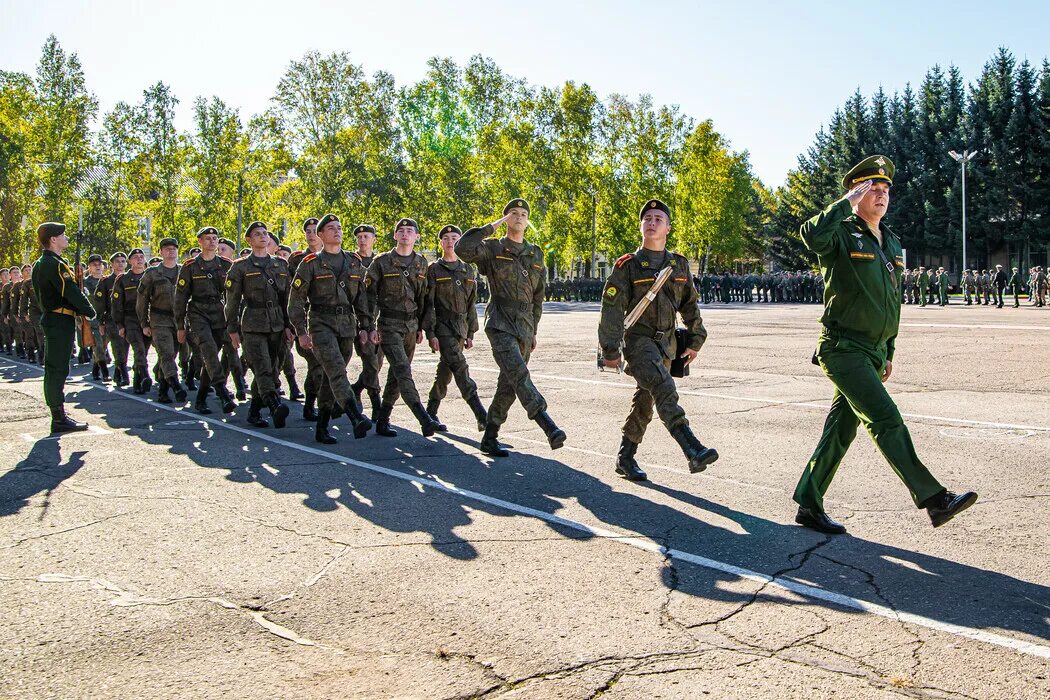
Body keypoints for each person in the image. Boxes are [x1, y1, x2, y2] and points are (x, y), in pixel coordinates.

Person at [793, 155, 977, 534]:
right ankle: (934, 498)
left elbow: (892, 300)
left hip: (873, 352)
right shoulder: (840, 232)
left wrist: (888, 350)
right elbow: (810, 235)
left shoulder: (891, 241)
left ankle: (809, 502)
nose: (880, 195)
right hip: (843, 348)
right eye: (871, 189)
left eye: (885, 190)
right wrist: (844, 204)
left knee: (840, 432)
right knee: (886, 419)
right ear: (855, 194)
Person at [598, 199, 718, 481]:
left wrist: (695, 340)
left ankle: (625, 458)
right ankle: (692, 448)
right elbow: (611, 310)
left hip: (667, 345)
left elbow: (690, 305)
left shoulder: (679, 265)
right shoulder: (627, 265)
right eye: (647, 218)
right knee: (664, 388)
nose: (652, 223)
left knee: (645, 400)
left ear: (668, 228)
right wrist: (610, 350)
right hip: (638, 342)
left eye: (658, 219)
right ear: (641, 226)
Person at [456, 199, 565, 456]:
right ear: (506, 219)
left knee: (508, 384)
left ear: (528, 221)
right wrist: (490, 228)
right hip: (500, 322)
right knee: (519, 375)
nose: (519, 217)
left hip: (525, 324)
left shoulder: (535, 253)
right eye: (513, 213)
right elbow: (463, 248)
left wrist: (534, 329)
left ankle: (490, 436)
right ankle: (546, 423)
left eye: (524, 214)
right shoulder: (493, 248)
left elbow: (538, 296)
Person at [287, 214, 373, 443]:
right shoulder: (310, 263)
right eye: (331, 228)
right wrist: (301, 331)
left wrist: (366, 326)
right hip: (321, 323)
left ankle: (322, 426)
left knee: (330, 376)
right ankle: (355, 417)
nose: (337, 231)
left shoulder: (353, 262)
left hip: (346, 325)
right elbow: (295, 302)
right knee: (336, 370)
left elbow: (361, 299)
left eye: (339, 227)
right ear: (321, 235)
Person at [364, 218, 441, 437]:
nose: (405, 234)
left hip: (411, 325)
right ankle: (423, 418)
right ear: (395, 236)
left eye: (410, 231)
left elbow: (424, 298)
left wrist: (423, 328)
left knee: (396, 376)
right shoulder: (381, 262)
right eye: (401, 230)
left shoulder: (421, 263)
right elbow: (368, 297)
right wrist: (369, 326)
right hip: (389, 325)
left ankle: (383, 419)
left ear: (417, 236)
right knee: (403, 370)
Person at [225, 221, 294, 428]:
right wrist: (232, 329)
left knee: (273, 368)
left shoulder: (280, 265)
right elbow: (232, 301)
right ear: (249, 240)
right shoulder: (240, 267)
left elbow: (287, 298)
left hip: (277, 323)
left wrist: (290, 325)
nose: (263, 237)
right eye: (257, 234)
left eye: (265, 233)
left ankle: (254, 412)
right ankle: (274, 406)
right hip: (253, 324)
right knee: (262, 367)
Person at [30, 222, 96, 432]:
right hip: (59, 321)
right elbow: (70, 291)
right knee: (57, 368)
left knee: (55, 367)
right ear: (53, 239)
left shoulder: (41, 263)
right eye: (62, 235)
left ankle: (58, 415)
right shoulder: (55, 265)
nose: (66, 238)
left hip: (55, 319)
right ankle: (58, 418)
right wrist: (89, 310)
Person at [422, 224, 488, 432]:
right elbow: (428, 304)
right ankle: (481, 415)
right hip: (443, 326)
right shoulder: (433, 270)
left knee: (445, 371)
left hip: (461, 327)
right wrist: (431, 333)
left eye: (454, 238)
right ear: (441, 243)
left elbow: (471, 304)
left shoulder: (467, 269)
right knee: (460, 368)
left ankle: (430, 412)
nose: (450, 241)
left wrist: (471, 332)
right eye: (446, 238)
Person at [176, 227, 238, 414]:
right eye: (207, 238)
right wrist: (180, 326)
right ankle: (222, 392)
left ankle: (201, 399)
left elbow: (234, 294)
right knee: (209, 349)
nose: (212, 241)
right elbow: (180, 298)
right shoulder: (190, 267)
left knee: (211, 358)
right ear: (200, 241)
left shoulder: (226, 265)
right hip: (198, 313)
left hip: (219, 313)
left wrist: (234, 320)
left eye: (214, 238)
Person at [136, 238, 186, 403]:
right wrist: (144, 323)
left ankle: (163, 391)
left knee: (172, 355)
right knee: (166, 354)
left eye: (174, 248)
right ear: (161, 252)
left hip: (179, 321)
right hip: (159, 319)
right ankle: (176, 386)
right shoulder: (152, 273)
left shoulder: (184, 271)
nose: (171, 251)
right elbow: (142, 300)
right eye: (167, 249)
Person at [288, 218, 325, 420]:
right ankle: (311, 404)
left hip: (327, 321)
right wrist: (293, 326)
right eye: (308, 231)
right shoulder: (296, 260)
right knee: (316, 363)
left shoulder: (332, 257)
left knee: (326, 366)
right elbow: (290, 296)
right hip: (304, 320)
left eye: (314, 231)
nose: (311, 235)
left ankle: (321, 403)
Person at [349, 224, 385, 419]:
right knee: (370, 361)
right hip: (358, 320)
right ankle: (376, 404)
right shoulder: (350, 261)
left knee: (376, 364)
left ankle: (356, 388)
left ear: (374, 240)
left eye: (366, 236)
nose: (362, 240)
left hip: (380, 319)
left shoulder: (380, 262)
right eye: (359, 237)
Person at [110, 248, 152, 393]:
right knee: (138, 348)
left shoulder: (151, 276)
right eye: (135, 257)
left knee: (143, 351)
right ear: (130, 261)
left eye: (141, 257)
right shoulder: (123, 279)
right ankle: (145, 375)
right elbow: (116, 304)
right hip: (130, 319)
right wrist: (119, 325)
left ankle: (137, 382)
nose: (139, 259)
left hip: (148, 319)